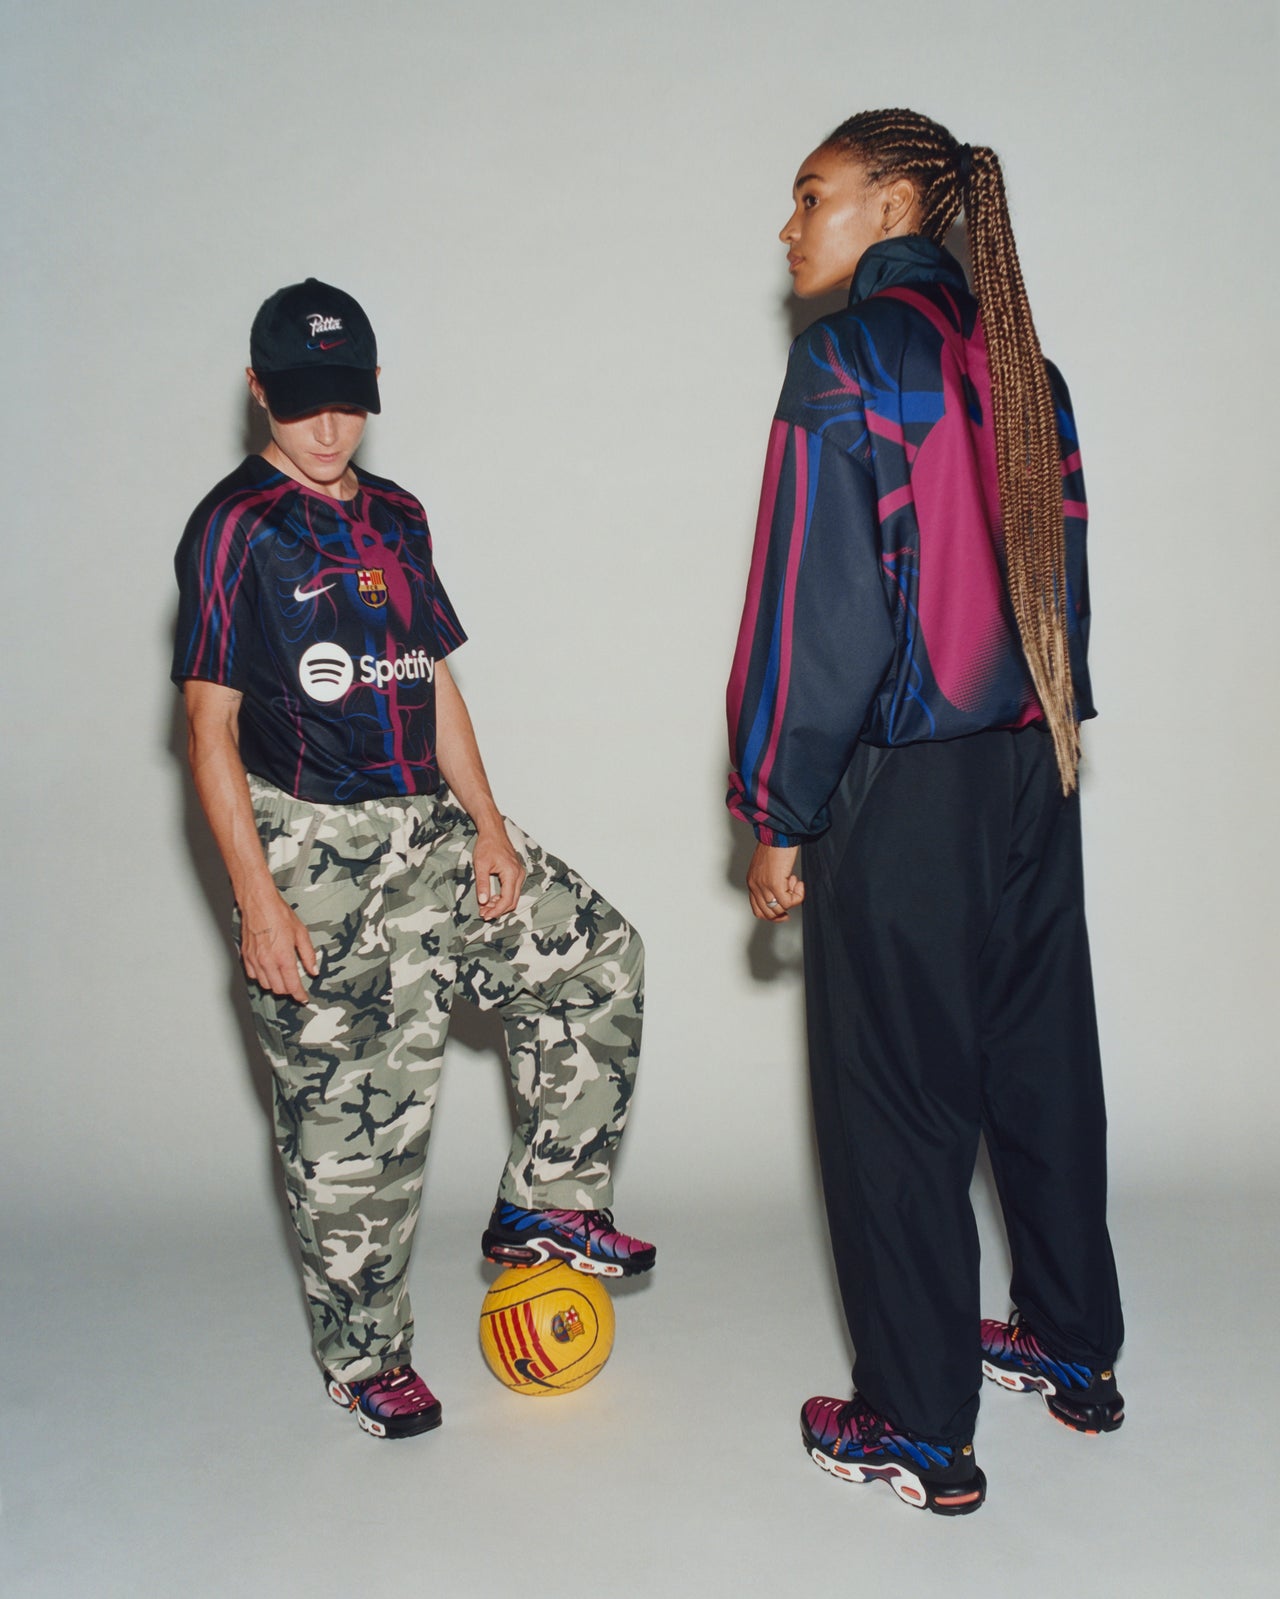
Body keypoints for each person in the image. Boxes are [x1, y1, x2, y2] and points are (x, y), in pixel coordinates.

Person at [173, 278, 653, 1441]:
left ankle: (546, 1205)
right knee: (357, 1137)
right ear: (258, 392)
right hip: (313, 848)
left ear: (373, 388)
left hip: (426, 826)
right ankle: (364, 1359)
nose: (326, 426)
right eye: (301, 403)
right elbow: (206, 730)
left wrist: (487, 821)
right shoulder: (233, 528)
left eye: (345, 400)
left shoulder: (397, 515)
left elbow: (430, 676)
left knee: (596, 959)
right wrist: (258, 901)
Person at [726, 110, 1123, 1515]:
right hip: (1034, 768)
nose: (791, 227)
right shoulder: (1028, 370)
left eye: (813, 195)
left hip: (903, 786)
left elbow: (813, 611)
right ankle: (1073, 1346)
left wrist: (775, 806)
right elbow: (1065, 595)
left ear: (895, 203)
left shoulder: (848, 359)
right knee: (1039, 1064)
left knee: (896, 1103)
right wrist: (1049, 736)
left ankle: (912, 1421)